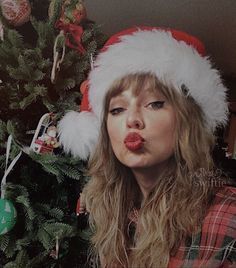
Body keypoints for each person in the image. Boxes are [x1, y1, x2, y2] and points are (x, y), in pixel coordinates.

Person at [59, 26, 236, 267]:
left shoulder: (227, 217)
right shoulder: (107, 210)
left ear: (187, 121)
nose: (132, 119)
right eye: (117, 109)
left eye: (154, 103)